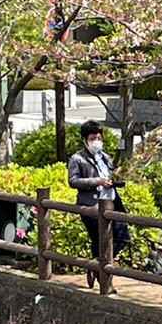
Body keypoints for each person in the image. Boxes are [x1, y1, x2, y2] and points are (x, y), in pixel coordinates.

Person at [66, 120, 130, 289]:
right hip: (92, 206)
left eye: (99, 138)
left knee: (123, 237)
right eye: (93, 138)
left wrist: (118, 178)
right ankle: (104, 279)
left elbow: (112, 174)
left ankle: (96, 266)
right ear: (85, 139)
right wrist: (97, 181)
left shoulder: (105, 157)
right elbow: (73, 181)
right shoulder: (77, 159)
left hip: (111, 202)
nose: (97, 141)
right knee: (100, 241)